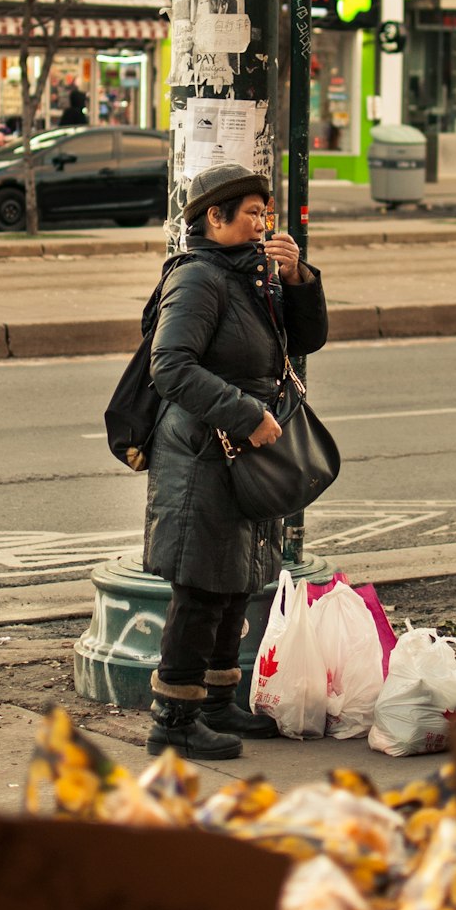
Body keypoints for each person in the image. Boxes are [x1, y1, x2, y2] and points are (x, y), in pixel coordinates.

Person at [143, 162, 329, 760]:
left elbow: (309, 338)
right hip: (203, 449)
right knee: (200, 584)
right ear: (213, 219)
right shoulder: (198, 278)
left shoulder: (252, 274)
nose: (261, 223)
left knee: (235, 579)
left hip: (242, 449)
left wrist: (297, 276)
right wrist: (244, 414)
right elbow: (170, 366)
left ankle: (220, 702)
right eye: (250, 213)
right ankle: (173, 719)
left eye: (264, 213)